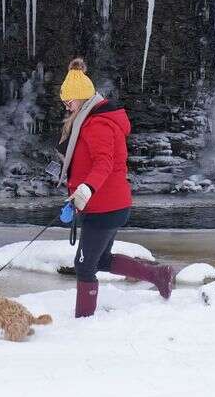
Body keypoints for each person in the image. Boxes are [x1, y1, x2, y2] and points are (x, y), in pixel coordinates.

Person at [57, 57, 174, 317]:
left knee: (84, 266)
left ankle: (83, 321)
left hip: (105, 206)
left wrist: (86, 189)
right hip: (105, 204)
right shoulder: (88, 121)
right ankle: (157, 274)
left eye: (69, 102)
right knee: (99, 260)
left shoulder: (97, 124)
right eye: (64, 102)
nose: (67, 107)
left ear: (83, 99)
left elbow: (104, 163)